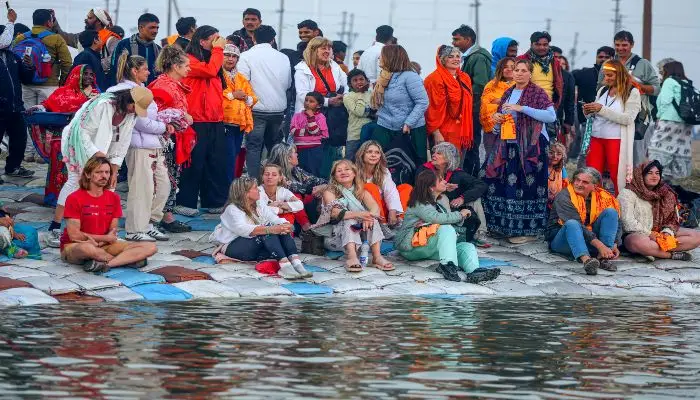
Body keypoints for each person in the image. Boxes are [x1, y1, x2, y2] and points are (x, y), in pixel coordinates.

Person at [46, 87, 153, 248]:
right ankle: (54, 227)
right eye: (134, 107)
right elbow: (83, 133)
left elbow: (123, 142)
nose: (134, 112)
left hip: (105, 148)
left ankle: (107, 233)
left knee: (109, 186)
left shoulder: (131, 115)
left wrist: (114, 170)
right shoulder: (102, 105)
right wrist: (98, 156)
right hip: (78, 143)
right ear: (128, 101)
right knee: (76, 181)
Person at [482, 59, 556, 244]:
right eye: (516, 70)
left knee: (527, 186)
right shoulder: (508, 92)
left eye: (524, 70)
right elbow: (500, 125)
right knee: (499, 181)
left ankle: (526, 230)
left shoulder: (537, 93)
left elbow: (550, 116)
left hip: (532, 146)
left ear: (530, 73)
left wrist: (522, 108)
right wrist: (497, 119)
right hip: (508, 145)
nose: (519, 73)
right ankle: (501, 225)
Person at [108, 51, 173, 242]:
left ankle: (149, 222)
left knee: (162, 186)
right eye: (144, 69)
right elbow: (140, 121)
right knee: (141, 187)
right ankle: (135, 228)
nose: (148, 72)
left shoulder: (142, 89)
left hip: (154, 144)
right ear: (135, 71)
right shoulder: (125, 91)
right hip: (138, 146)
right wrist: (163, 127)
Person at [396, 169, 499, 283]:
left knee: (466, 246)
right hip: (411, 247)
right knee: (445, 228)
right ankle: (447, 266)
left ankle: (474, 272)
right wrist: (460, 214)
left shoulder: (438, 204)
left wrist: (460, 216)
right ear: (431, 187)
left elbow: (444, 220)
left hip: (428, 246)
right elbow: (437, 219)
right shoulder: (419, 203)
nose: (445, 181)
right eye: (441, 180)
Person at [60, 156, 157, 272]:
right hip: (76, 245)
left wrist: (104, 240)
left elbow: (112, 231)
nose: (104, 176)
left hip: (105, 245)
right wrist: (104, 238)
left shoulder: (113, 198)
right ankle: (127, 260)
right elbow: (74, 235)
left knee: (150, 247)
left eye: (107, 172)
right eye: (99, 172)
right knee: (88, 249)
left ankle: (108, 264)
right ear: (88, 174)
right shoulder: (74, 198)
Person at [210, 176, 311, 279]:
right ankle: (284, 265)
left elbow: (273, 218)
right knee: (267, 230)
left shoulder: (259, 204)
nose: (258, 190)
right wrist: (270, 229)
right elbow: (242, 229)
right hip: (234, 246)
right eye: (254, 188)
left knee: (279, 229)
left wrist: (285, 224)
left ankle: (296, 262)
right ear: (245, 193)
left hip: (255, 245)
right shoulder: (232, 209)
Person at [175, 26, 230, 215]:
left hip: (215, 120)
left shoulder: (213, 60)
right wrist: (219, 49)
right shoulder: (188, 61)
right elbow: (210, 71)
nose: (218, 43)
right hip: (195, 120)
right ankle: (185, 202)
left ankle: (214, 202)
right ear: (202, 41)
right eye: (214, 39)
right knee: (194, 162)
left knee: (215, 162)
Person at [30, 65, 99, 206]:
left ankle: (78, 200)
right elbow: (47, 106)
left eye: (91, 74)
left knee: (81, 170)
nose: (88, 77)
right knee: (59, 169)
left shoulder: (96, 94)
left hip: (83, 139)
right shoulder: (62, 92)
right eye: (85, 74)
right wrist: (37, 108)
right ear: (75, 75)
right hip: (60, 139)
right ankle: (55, 198)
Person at [15, 9, 72, 163]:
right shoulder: (56, 39)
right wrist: (62, 83)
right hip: (49, 85)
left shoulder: (20, 38)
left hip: (26, 84)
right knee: (48, 120)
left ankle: (28, 153)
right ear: (49, 22)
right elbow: (67, 63)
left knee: (29, 118)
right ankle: (44, 154)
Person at [148, 45, 194, 233]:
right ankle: (157, 217)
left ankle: (166, 215)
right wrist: (183, 118)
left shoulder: (172, 85)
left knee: (171, 177)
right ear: (175, 66)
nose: (189, 69)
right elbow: (156, 114)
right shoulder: (162, 86)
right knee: (163, 179)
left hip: (175, 138)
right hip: (164, 139)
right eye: (186, 66)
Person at [318, 160, 393, 272]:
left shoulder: (360, 190)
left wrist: (369, 217)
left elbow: (375, 208)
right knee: (349, 220)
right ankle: (352, 257)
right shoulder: (329, 191)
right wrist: (362, 215)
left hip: (361, 235)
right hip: (336, 237)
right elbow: (336, 212)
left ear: (354, 173)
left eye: (347, 169)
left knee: (373, 220)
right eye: (339, 171)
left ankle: (377, 257)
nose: (343, 172)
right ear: (334, 176)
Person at [238, 25, 292, 180]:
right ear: (273, 39)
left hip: (256, 110)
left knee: (254, 147)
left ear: (253, 38)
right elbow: (288, 84)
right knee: (274, 148)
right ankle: (278, 182)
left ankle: (254, 182)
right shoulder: (283, 57)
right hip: (278, 110)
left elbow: (242, 83)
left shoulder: (246, 56)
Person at [619, 161, 700, 261]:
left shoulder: (665, 193)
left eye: (657, 173)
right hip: (637, 234)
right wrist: (649, 234)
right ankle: (671, 255)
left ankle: (652, 251)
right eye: (650, 173)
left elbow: (672, 219)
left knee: (696, 236)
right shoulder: (627, 193)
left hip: (660, 231)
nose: (654, 176)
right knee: (639, 243)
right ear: (640, 175)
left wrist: (667, 233)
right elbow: (627, 222)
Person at [600, 31, 660, 165]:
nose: (620, 48)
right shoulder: (608, 64)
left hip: (636, 117)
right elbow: (600, 87)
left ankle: (635, 184)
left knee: (635, 156)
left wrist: (636, 85)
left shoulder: (642, 64)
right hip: (611, 115)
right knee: (611, 155)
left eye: (624, 45)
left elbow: (656, 89)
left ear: (632, 45)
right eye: (617, 45)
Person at [547, 167, 621, 275]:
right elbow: (578, 226)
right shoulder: (564, 197)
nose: (579, 184)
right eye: (577, 180)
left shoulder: (604, 197)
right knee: (572, 223)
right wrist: (600, 245)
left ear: (594, 186)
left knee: (611, 212)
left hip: (591, 240)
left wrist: (614, 243)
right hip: (564, 240)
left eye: (585, 182)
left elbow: (618, 221)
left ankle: (603, 257)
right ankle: (587, 260)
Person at [584, 59, 641, 195]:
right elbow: (597, 114)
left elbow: (628, 119)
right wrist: (588, 111)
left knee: (617, 176)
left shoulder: (632, 92)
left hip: (616, 139)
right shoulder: (603, 90)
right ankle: (593, 204)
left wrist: (601, 109)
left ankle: (621, 207)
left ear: (620, 74)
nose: (606, 78)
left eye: (610, 75)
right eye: (605, 75)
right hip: (596, 138)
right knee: (592, 174)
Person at [416, 142, 487, 245]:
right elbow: (420, 188)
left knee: (475, 200)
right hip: (432, 208)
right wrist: (443, 189)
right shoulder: (424, 170)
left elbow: (481, 185)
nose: (434, 155)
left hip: (453, 207)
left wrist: (462, 198)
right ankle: (448, 230)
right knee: (442, 197)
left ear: (448, 159)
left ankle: (481, 232)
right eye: (434, 152)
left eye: (439, 153)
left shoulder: (458, 174)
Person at [372, 45, 430, 167]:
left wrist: (408, 123)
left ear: (391, 57)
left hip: (410, 129)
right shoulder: (384, 76)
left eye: (382, 56)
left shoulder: (410, 76)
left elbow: (422, 101)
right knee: (377, 159)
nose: (379, 58)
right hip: (385, 124)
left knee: (413, 163)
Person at [424, 45, 474, 169]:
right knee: (444, 167)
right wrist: (436, 132)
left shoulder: (464, 78)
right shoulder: (433, 79)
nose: (456, 59)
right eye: (451, 56)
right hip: (444, 131)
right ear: (442, 59)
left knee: (458, 168)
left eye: (458, 56)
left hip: (463, 130)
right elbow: (431, 109)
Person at [452, 25, 491, 175]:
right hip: (470, 106)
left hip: (473, 107)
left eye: (457, 39)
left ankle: (471, 176)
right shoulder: (470, 56)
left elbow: (480, 84)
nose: (454, 43)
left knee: (472, 144)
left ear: (468, 40)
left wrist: (460, 94)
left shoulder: (478, 57)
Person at [0, 19, 36, 182]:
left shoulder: (13, 56)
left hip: (15, 107)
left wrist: (29, 66)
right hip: (1, 107)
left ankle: (13, 167)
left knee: (19, 138)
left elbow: (26, 78)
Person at [647, 61, 694, 179]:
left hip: (668, 120)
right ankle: (679, 177)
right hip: (685, 122)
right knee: (679, 149)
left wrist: (659, 116)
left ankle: (656, 174)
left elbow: (665, 101)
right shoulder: (687, 83)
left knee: (657, 148)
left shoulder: (669, 81)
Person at [570, 46, 615, 160]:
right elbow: (567, 80)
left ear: (613, 58)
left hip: (612, 122)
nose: (603, 59)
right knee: (587, 153)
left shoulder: (618, 77)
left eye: (607, 57)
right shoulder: (584, 73)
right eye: (600, 57)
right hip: (588, 121)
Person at [355, 141, 411, 228]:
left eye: (377, 152)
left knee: (406, 187)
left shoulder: (383, 171)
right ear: (362, 154)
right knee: (369, 187)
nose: (373, 155)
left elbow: (390, 191)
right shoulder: (354, 171)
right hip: (367, 210)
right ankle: (383, 225)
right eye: (369, 152)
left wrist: (393, 211)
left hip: (384, 207)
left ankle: (399, 220)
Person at [53, 8, 120, 78]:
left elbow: (116, 57)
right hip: (84, 79)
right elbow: (64, 37)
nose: (86, 20)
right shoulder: (83, 36)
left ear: (99, 21)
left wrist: (94, 66)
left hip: (103, 80)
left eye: (90, 18)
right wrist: (54, 22)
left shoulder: (111, 39)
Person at [222, 43, 257, 177]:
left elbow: (253, 98)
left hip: (239, 125)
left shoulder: (241, 77)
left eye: (234, 56)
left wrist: (244, 97)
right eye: (227, 55)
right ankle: (226, 191)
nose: (230, 59)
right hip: (223, 124)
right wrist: (233, 95)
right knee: (227, 159)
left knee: (235, 157)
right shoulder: (216, 75)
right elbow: (215, 97)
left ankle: (230, 190)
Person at [293, 37, 347, 114]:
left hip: (331, 114)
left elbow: (347, 82)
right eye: (323, 48)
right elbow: (303, 95)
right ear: (313, 50)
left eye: (329, 49)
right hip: (310, 115)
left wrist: (345, 95)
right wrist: (328, 101)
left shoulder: (333, 65)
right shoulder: (302, 69)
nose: (327, 51)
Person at [109, 13, 161, 86]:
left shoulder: (158, 50)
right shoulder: (124, 45)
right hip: (127, 92)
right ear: (141, 28)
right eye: (152, 27)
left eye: (157, 28)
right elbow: (114, 70)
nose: (155, 31)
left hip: (151, 93)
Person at [259, 163, 310, 232]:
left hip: (281, 224)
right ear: (262, 177)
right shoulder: (257, 191)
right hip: (263, 225)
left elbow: (300, 204)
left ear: (280, 178)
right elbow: (260, 211)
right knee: (288, 212)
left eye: (274, 175)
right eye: (267, 174)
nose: (270, 177)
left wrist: (278, 204)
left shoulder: (283, 191)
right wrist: (282, 210)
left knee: (288, 215)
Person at [519, 31, 563, 110]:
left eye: (545, 45)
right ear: (531, 44)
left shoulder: (555, 62)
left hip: (549, 106)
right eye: (538, 44)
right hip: (526, 106)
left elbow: (559, 84)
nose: (542, 47)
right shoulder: (521, 60)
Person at [480, 57, 515, 155]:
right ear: (500, 69)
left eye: (512, 67)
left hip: (514, 129)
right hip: (492, 129)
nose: (509, 69)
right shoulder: (491, 85)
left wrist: (499, 101)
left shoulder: (521, 85)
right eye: (505, 67)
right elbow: (486, 106)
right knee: (492, 159)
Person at [290, 91, 328, 175]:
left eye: (311, 101)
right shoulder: (297, 116)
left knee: (312, 172)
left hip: (313, 150)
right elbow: (293, 131)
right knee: (298, 172)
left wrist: (311, 117)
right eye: (306, 100)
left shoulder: (320, 117)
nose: (307, 103)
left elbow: (315, 131)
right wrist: (309, 132)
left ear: (319, 105)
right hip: (298, 149)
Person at [344, 69, 374, 161]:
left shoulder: (371, 94)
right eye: (355, 80)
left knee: (366, 163)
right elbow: (359, 112)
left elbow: (376, 111)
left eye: (361, 79)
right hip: (355, 136)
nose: (359, 82)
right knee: (350, 163)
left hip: (370, 135)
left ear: (367, 81)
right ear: (350, 84)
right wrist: (361, 94)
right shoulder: (348, 96)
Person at [551, 45, 575, 146]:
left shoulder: (566, 75)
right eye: (554, 57)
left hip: (557, 118)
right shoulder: (539, 72)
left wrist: (569, 122)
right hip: (537, 116)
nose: (557, 59)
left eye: (558, 57)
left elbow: (570, 100)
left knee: (554, 148)